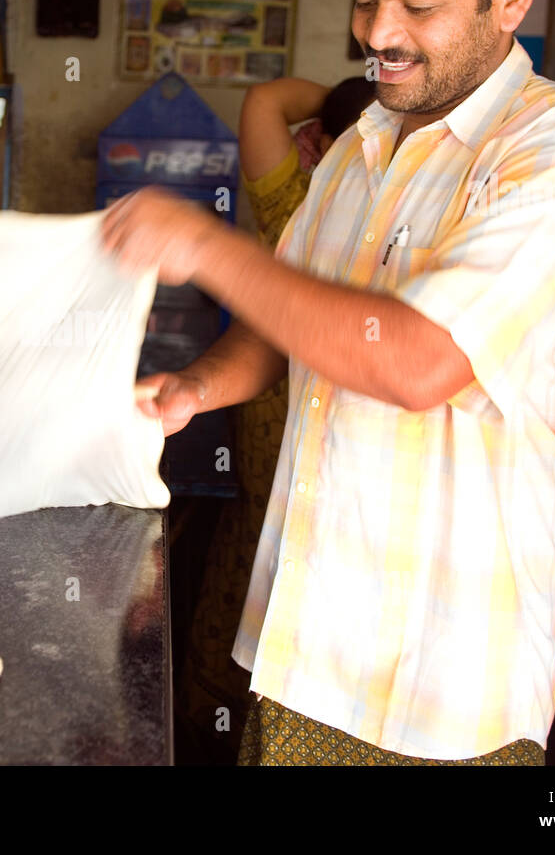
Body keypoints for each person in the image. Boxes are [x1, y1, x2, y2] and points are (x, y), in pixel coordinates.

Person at [101, 0, 555, 765]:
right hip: (301, 643)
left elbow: (422, 359)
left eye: (416, 6)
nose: (377, 34)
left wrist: (203, 246)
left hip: (441, 691)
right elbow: (289, 322)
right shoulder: (358, 148)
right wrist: (198, 387)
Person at [178, 75, 376, 763]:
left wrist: (360, 97)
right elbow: (269, 334)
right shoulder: (317, 215)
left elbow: (265, 101)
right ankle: (231, 724)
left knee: (254, 559)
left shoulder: (294, 202)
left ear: (314, 142)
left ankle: (215, 716)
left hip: (289, 461)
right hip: (292, 460)